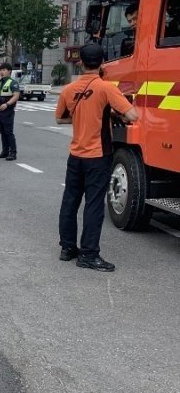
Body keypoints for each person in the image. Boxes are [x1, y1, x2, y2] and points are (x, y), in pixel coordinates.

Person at [55, 42, 138, 272]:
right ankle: (89, 254)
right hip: (98, 156)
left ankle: (67, 248)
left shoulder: (68, 90)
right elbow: (132, 115)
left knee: (70, 202)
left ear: (80, 62)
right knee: (93, 205)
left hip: (76, 155)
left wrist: (83, 116)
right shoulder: (106, 87)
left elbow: (60, 119)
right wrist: (107, 114)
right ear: (102, 63)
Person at [0, 62, 20, 160]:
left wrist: (7, 104)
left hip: (8, 111)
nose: (2, 72)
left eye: (4, 70)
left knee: (9, 132)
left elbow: (16, 96)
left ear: (9, 71)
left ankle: (13, 153)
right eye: (1, 70)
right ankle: (5, 151)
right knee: (2, 132)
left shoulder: (13, 82)